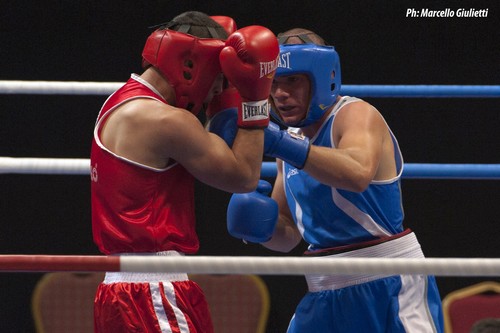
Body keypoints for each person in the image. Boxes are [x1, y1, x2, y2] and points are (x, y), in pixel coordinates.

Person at [226, 28, 444, 332]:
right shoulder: (288, 140)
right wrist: (258, 227)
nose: (280, 93)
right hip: (323, 287)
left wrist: (282, 145)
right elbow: (288, 234)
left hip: (387, 284)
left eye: (292, 80)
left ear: (320, 77)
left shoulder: (355, 115)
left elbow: (356, 173)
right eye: (274, 83)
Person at [90, 11, 279, 333]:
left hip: (119, 288)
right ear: (192, 66)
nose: (215, 93)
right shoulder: (165, 120)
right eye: (218, 80)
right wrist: (254, 99)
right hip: (153, 290)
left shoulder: (119, 102)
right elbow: (243, 177)